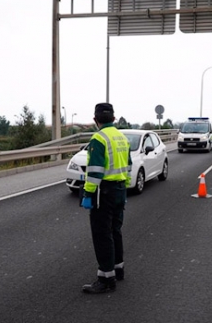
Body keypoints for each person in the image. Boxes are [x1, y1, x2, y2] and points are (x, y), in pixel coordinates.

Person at [80, 102, 132, 294]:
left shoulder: (98, 139)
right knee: (115, 230)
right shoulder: (122, 138)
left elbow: (94, 172)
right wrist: (124, 189)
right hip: (119, 190)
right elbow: (128, 167)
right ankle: (118, 268)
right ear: (114, 118)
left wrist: (88, 194)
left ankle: (106, 278)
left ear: (95, 120)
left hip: (104, 192)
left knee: (102, 234)